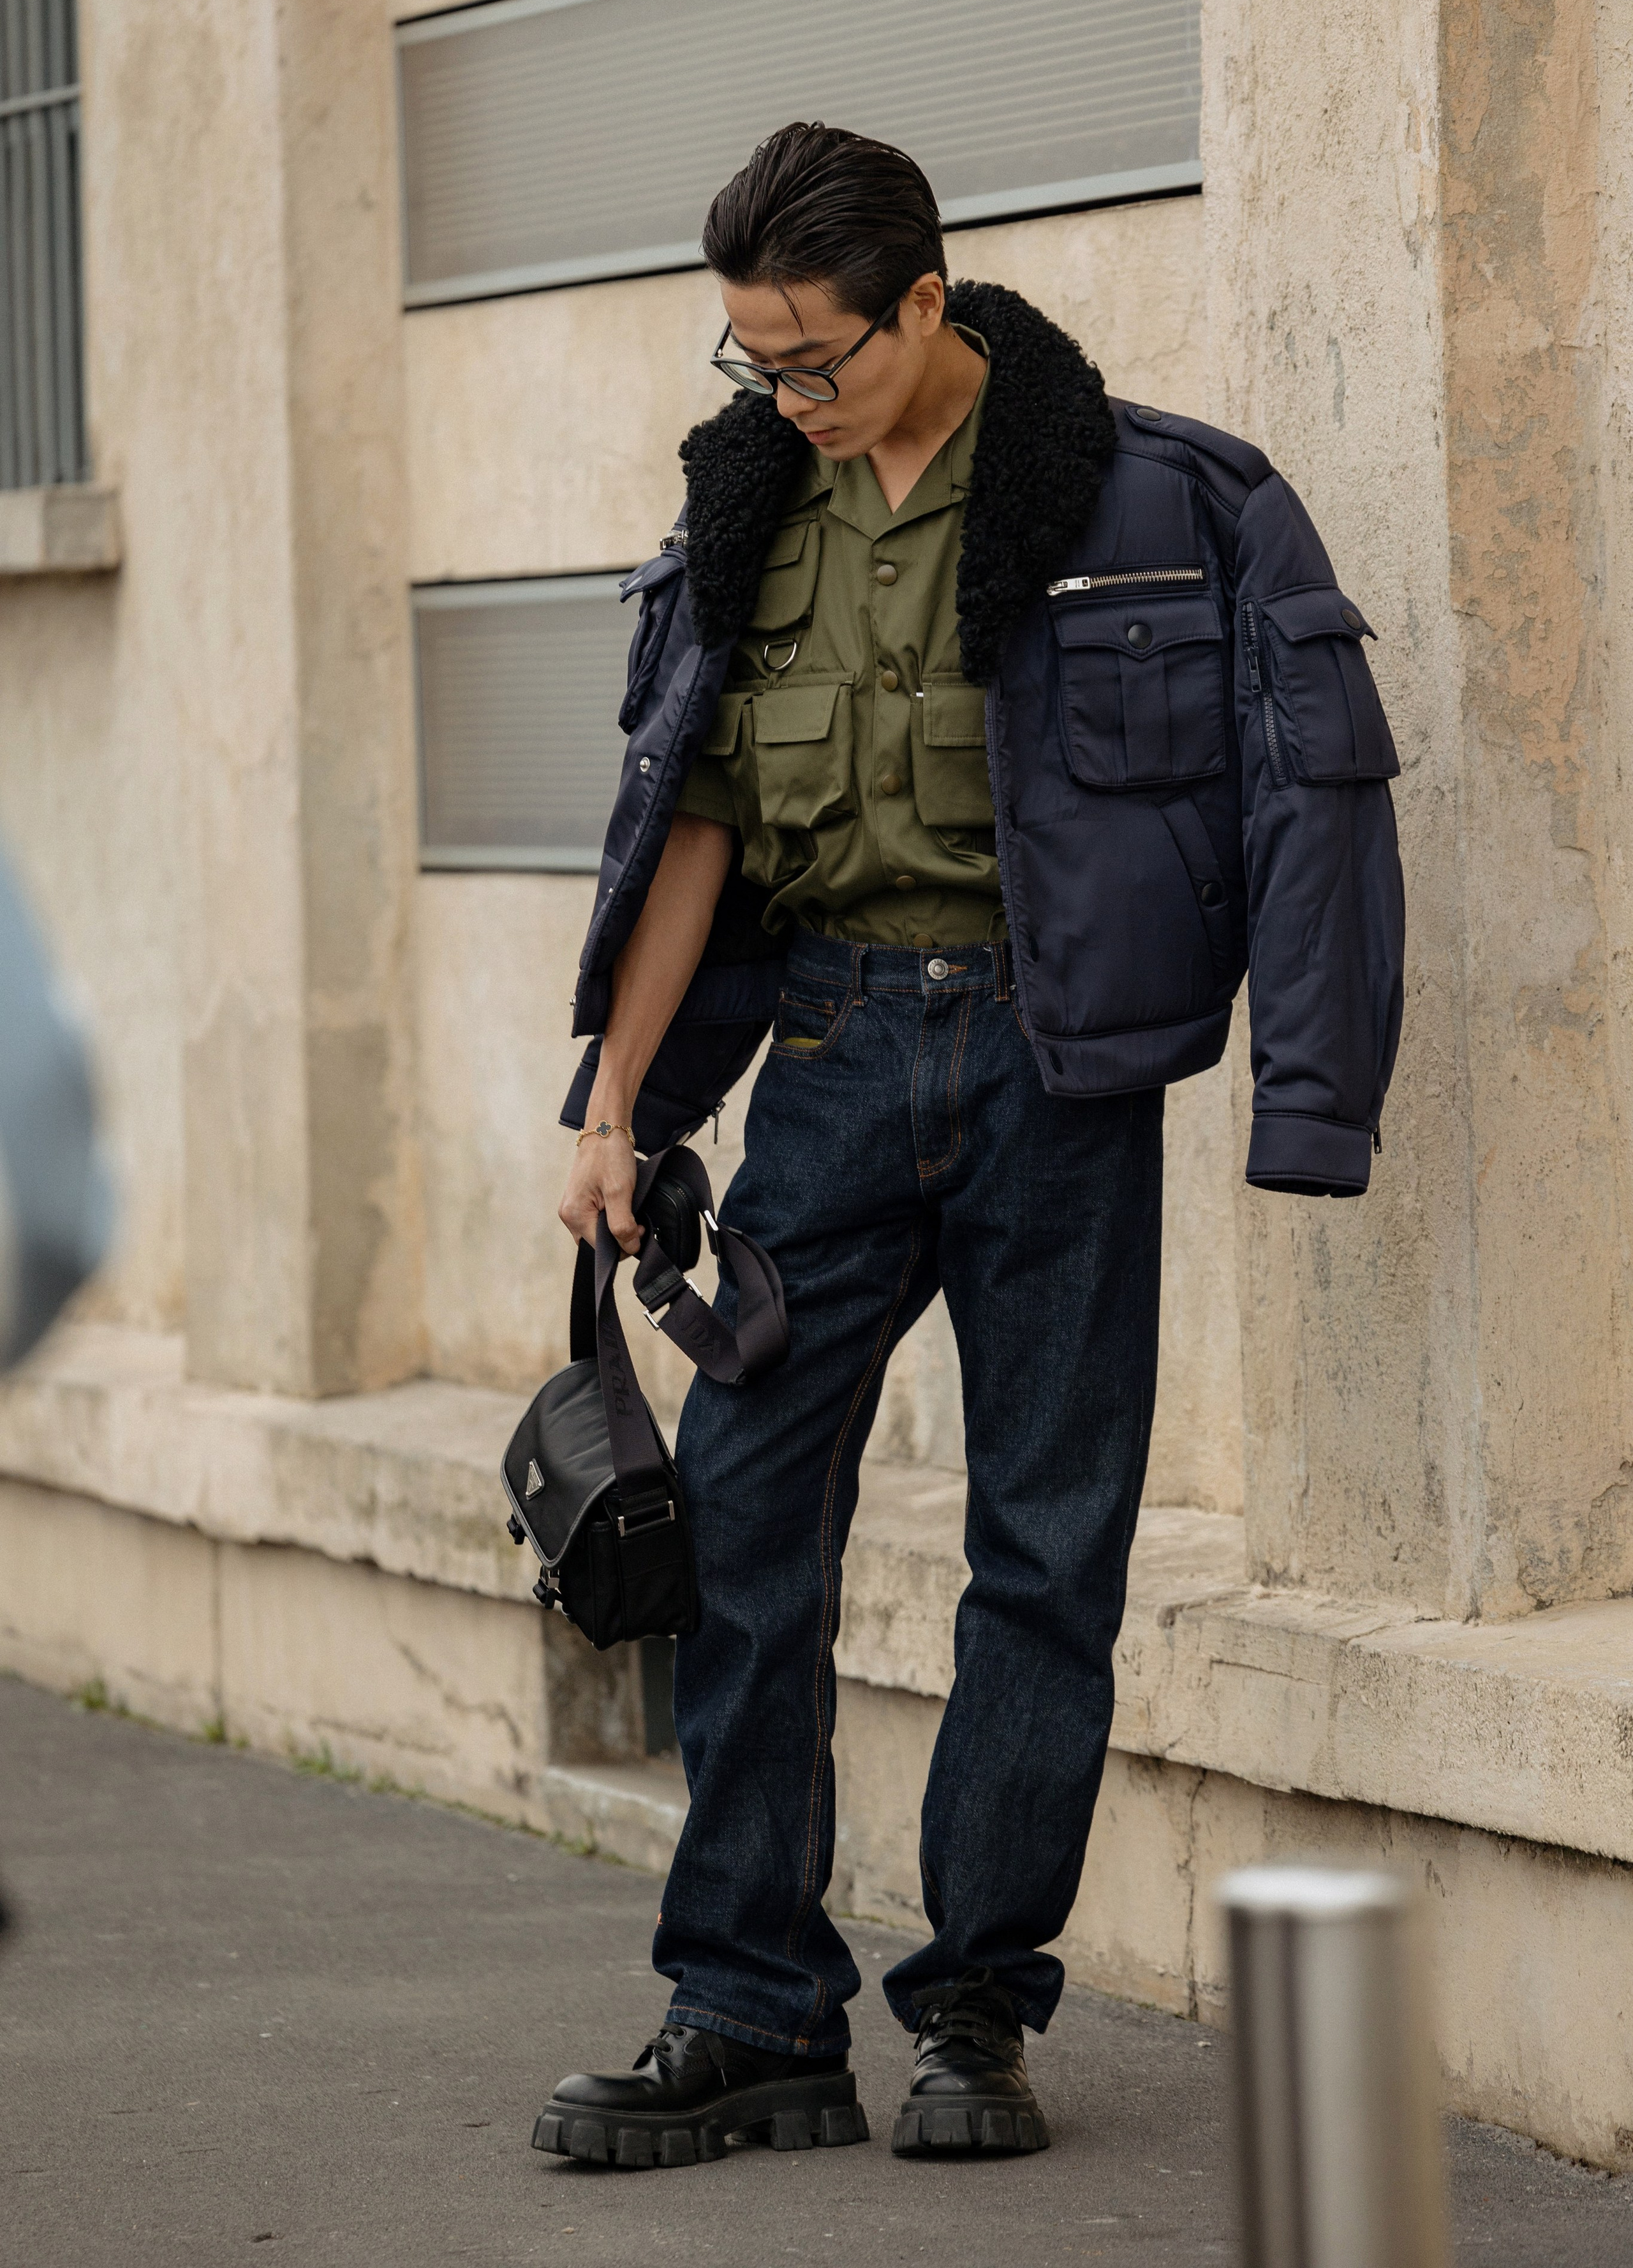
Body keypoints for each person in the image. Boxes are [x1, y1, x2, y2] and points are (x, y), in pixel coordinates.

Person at [545, 123, 1404, 2168]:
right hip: (829, 1071)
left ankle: (977, 2018)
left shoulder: (1162, 497)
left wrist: (1312, 1095)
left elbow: (1323, 793)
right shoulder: (751, 505)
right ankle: (749, 2008)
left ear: (926, 303)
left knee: (1044, 1555)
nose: (784, 402)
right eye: (753, 363)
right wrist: (613, 1107)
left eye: (815, 361)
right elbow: (694, 824)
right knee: (744, 1529)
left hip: (1060, 1080)